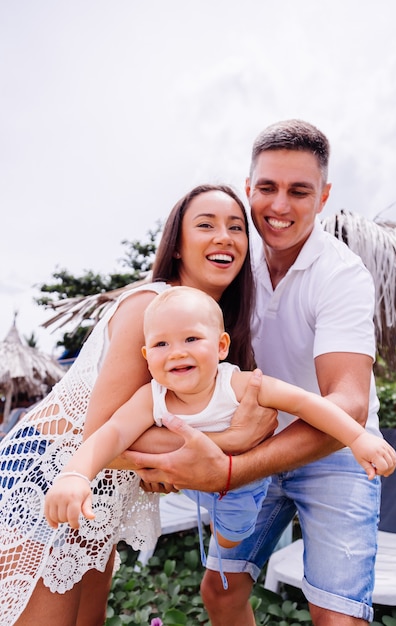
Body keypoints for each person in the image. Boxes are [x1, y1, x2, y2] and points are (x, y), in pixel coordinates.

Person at [125, 120, 394, 626]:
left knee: (338, 617)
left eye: (299, 191)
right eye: (267, 188)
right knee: (220, 594)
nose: (279, 205)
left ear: (324, 195)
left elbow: (350, 405)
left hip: (334, 446)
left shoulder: (341, 275)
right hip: (251, 440)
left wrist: (231, 467)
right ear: (248, 188)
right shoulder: (229, 263)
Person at [0, 184, 277, 626]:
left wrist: (181, 468)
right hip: (51, 474)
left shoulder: (216, 333)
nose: (224, 236)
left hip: (104, 490)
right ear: (178, 246)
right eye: (206, 225)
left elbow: (174, 438)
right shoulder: (150, 303)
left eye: (236, 227)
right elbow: (100, 432)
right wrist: (232, 439)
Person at [44, 286, 395, 589]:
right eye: (161, 344)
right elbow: (111, 433)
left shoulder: (237, 384)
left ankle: (223, 524)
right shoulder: (149, 396)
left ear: (222, 346)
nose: (177, 351)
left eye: (191, 339)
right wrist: (75, 475)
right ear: (147, 356)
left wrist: (358, 438)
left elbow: (307, 402)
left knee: (229, 538)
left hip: (239, 485)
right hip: (189, 481)